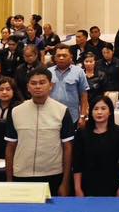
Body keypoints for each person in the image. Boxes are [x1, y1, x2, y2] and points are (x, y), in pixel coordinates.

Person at [5, 67, 75, 196]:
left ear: (51, 86)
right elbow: (10, 147)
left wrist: (65, 182)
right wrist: (9, 181)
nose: (38, 86)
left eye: (42, 82)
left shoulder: (62, 111)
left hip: (53, 174)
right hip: (22, 174)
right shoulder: (16, 111)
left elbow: (67, 147)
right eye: (33, 83)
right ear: (28, 87)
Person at [73, 95, 119, 197]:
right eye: (95, 109)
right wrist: (77, 188)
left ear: (110, 112)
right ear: (90, 112)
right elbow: (77, 164)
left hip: (113, 184)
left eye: (103, 108)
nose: (99, 112)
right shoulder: (81, 134)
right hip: (87, 186)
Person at [48, 45, 89, 125]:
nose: (61, 58)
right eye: (58, 56)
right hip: (52, 116)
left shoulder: (79, 72)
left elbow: (84, 96)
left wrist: (83, 116)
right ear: (54, 58)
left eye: (64, 55)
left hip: (72, 116)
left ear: (71, 57)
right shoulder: (48, 72)